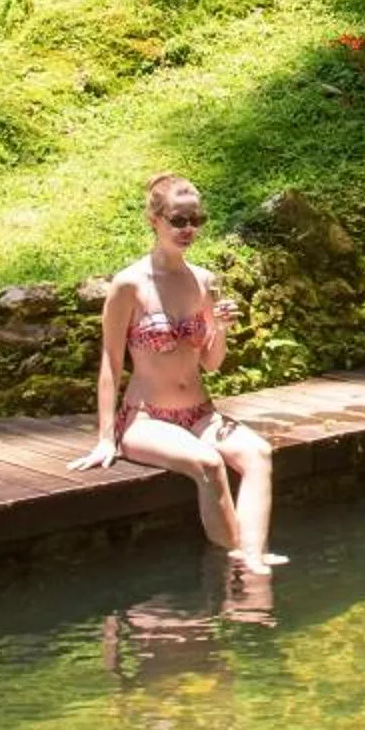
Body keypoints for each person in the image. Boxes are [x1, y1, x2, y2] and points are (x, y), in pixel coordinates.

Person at [69, 173, 280, 576]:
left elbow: (211, 363)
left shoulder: (204, 281)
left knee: (258, 454)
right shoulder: (129, 285)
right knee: (209, 464)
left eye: (196, 220)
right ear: (154, 220)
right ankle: (240, 568)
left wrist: (220, 329)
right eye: (178, 221)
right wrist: (105, 438)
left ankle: (252, 556)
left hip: (201, 414)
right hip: (147, 418)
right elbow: (110, 362)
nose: (188, 230)